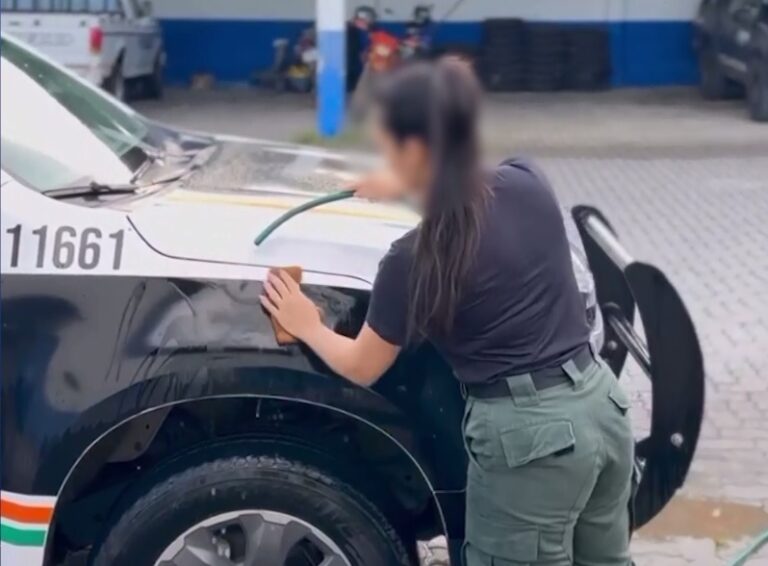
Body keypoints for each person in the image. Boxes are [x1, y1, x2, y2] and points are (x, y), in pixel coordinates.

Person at [260, 58, 635, 566]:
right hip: (603, 410)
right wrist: (408, 184)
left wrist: (308, 324)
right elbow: (474, 208)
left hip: (533, 446)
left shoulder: (411, 260)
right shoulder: (528, 182)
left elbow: (361, 365)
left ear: (413, 152)